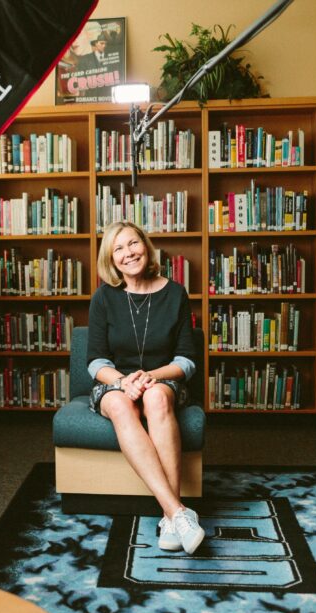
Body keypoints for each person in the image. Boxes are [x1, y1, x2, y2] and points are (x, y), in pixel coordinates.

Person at [87, 221, 204, 554]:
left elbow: (186, 360)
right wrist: (124, 382)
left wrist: (148, 376)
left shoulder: (175, 292)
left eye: (133, 243)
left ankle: (170, 517)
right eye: (118, 249)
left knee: (155, 398)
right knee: (122, 404)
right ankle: (177, 512)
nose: (128, 253)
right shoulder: (104, 298)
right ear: (111, 259)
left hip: (161, 379)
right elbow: (95, 362)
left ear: (146, 246)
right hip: (114, 383)